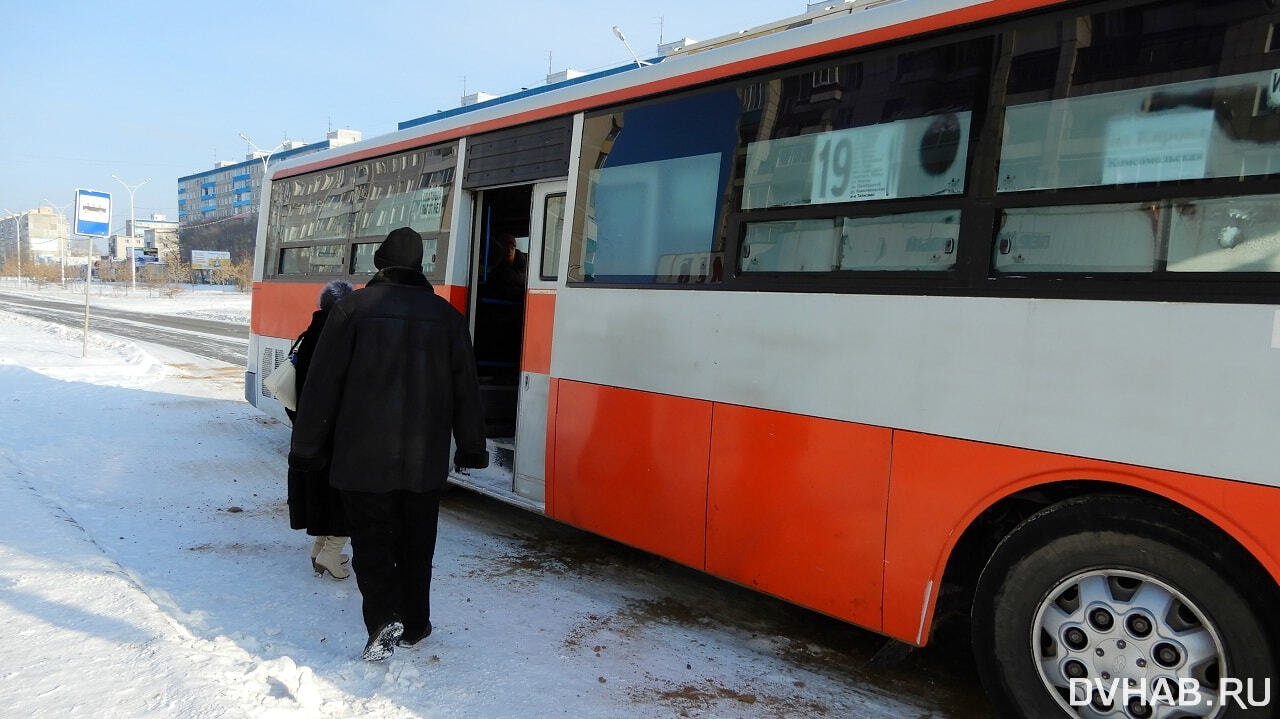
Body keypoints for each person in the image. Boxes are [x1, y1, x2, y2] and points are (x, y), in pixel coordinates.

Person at [288, 226, 488, 662]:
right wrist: (471, 446)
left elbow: (322, 387)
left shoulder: (350, 311)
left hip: (362, 457)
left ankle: (382, 620)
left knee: (373, 543)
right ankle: (415, 623)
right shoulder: (447, 317)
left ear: (380, 262)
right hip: (424, 458)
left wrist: (306, 448)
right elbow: (465, 390)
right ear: (420, 266)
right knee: (418, 543)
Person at [285, 279, 355, 580]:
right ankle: (331, 552)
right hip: (337, 432)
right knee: (345, 493)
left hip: (309, 432)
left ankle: (320, 547)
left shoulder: (309, 334)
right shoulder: (343, 337)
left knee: (319, 491)